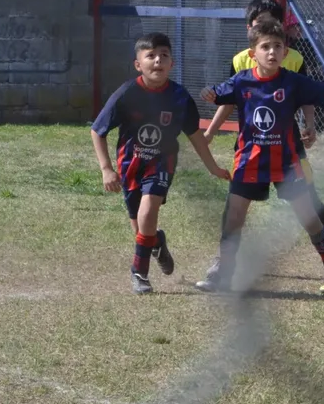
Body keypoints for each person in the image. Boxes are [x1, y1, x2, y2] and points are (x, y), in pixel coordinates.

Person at [194, 16, 324, 292]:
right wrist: (209, 93)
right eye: (265, 47)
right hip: (250, 161)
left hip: (287, 164)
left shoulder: (293, 82)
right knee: (234, 216)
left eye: (277, 46)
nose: (272, 52)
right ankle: (222, 273)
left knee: (310, 219)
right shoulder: (242, 82)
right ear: (253, 54)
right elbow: (218, 93)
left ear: (286, 52)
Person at [91, 32, 230, 294]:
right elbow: (97, 131)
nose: (157, 60)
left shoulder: (179, 97)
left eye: (163, 55)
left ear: (172, 64)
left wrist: (212, 167)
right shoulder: (127, 93)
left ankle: (139, 274)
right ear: (138, 64)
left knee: (148, 211)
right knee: (142, 227)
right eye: (151, 56)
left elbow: (196, 137)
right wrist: (106, 169)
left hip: (161, 163)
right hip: (130, 165)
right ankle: (157, 243)